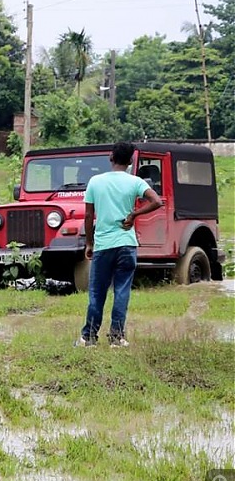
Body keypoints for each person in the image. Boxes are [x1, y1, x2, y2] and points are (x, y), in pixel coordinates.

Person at [76, 141, 163, 348]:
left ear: (110, 157)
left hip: (104, 245)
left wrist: (89, 243)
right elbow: (157, 201)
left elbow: (89, 215)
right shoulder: (135, 182)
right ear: (131, 160)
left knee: (97, 292)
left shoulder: (95, 181)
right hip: (127, 244)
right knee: (122, 291)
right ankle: (117, 337)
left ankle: (89, 337)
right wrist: (134, 214)